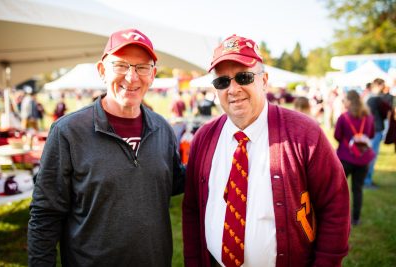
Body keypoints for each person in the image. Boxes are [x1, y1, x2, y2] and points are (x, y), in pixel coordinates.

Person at [182, 34, 350, 267]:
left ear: (264, 80)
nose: (233, 89)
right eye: (222, 81)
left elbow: (335, 206)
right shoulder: (203, 138)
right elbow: (191, 209)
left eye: (244, 77)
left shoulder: (305, 134)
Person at [28, 28, 185, 266]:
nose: (132, 78)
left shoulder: (162, 129)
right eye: (121, 65)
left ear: (152, 75)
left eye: (141, 67)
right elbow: (45, 214)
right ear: (102, 71)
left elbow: (173, 181)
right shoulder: (68, 131)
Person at [334, 90, 375, 226]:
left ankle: (338, 216)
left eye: (345, 99)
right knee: (358, 189)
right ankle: (356, 219)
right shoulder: (369, 117)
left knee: (339, 189)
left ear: (350, 101)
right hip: (364, 158)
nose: (343, 101)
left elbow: (337, 136)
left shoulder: (343, 117)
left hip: (345, 157)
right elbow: (371, 134)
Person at [364, 78, 391, 188]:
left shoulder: (371, 98)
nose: (383, 89)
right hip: (374, 131)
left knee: (370, 156)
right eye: (382, 86)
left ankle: (367, 179)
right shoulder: (373, 99)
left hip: (374, 130)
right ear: (378, 86)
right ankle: (367, 181)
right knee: (371, 157)